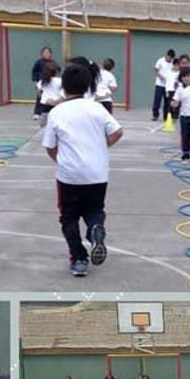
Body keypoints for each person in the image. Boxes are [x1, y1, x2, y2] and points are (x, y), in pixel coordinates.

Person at [43, 63, 124, 277]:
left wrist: (61, 160)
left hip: (69, 175)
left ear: (63, 87)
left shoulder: (57, 112)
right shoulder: (97, 108)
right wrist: (100, 148)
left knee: (69, 217)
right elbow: (117, 132)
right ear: (88, 85)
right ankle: (95, 229)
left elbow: (50, 146)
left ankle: (79, 259)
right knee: (94, 210)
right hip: (97, 173)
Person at [34, 60, 63, 126]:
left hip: (45, 103)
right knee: (56, 121)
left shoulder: (43, 80)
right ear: (57, 72)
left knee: (44, 123)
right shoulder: (60, 81)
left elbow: (38, 91)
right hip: (57, 103)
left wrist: (42, 97)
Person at [151, 49, 176, 121]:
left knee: (167, 102)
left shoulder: (172, 62)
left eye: (171, 58)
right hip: (159, 84)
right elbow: (156, 70)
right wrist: (161, 77)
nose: (170, 59)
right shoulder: (160, 61)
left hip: (168, 86)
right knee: (157, 100)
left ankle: (166, 116)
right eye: (169, 57)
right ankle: (155, 115)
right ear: (167, 55)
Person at [31, 46, 54, 120]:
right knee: (39, 97)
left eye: (48, 52)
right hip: (41, 83)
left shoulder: (53, 62)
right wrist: (35, 82)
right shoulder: (38, 62)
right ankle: (37, 113)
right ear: (42, 54)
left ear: (51, 54)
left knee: (50, 98)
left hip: (50, 84)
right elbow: (34, 72)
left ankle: (49, 112)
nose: (46, 54)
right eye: (45, 52)